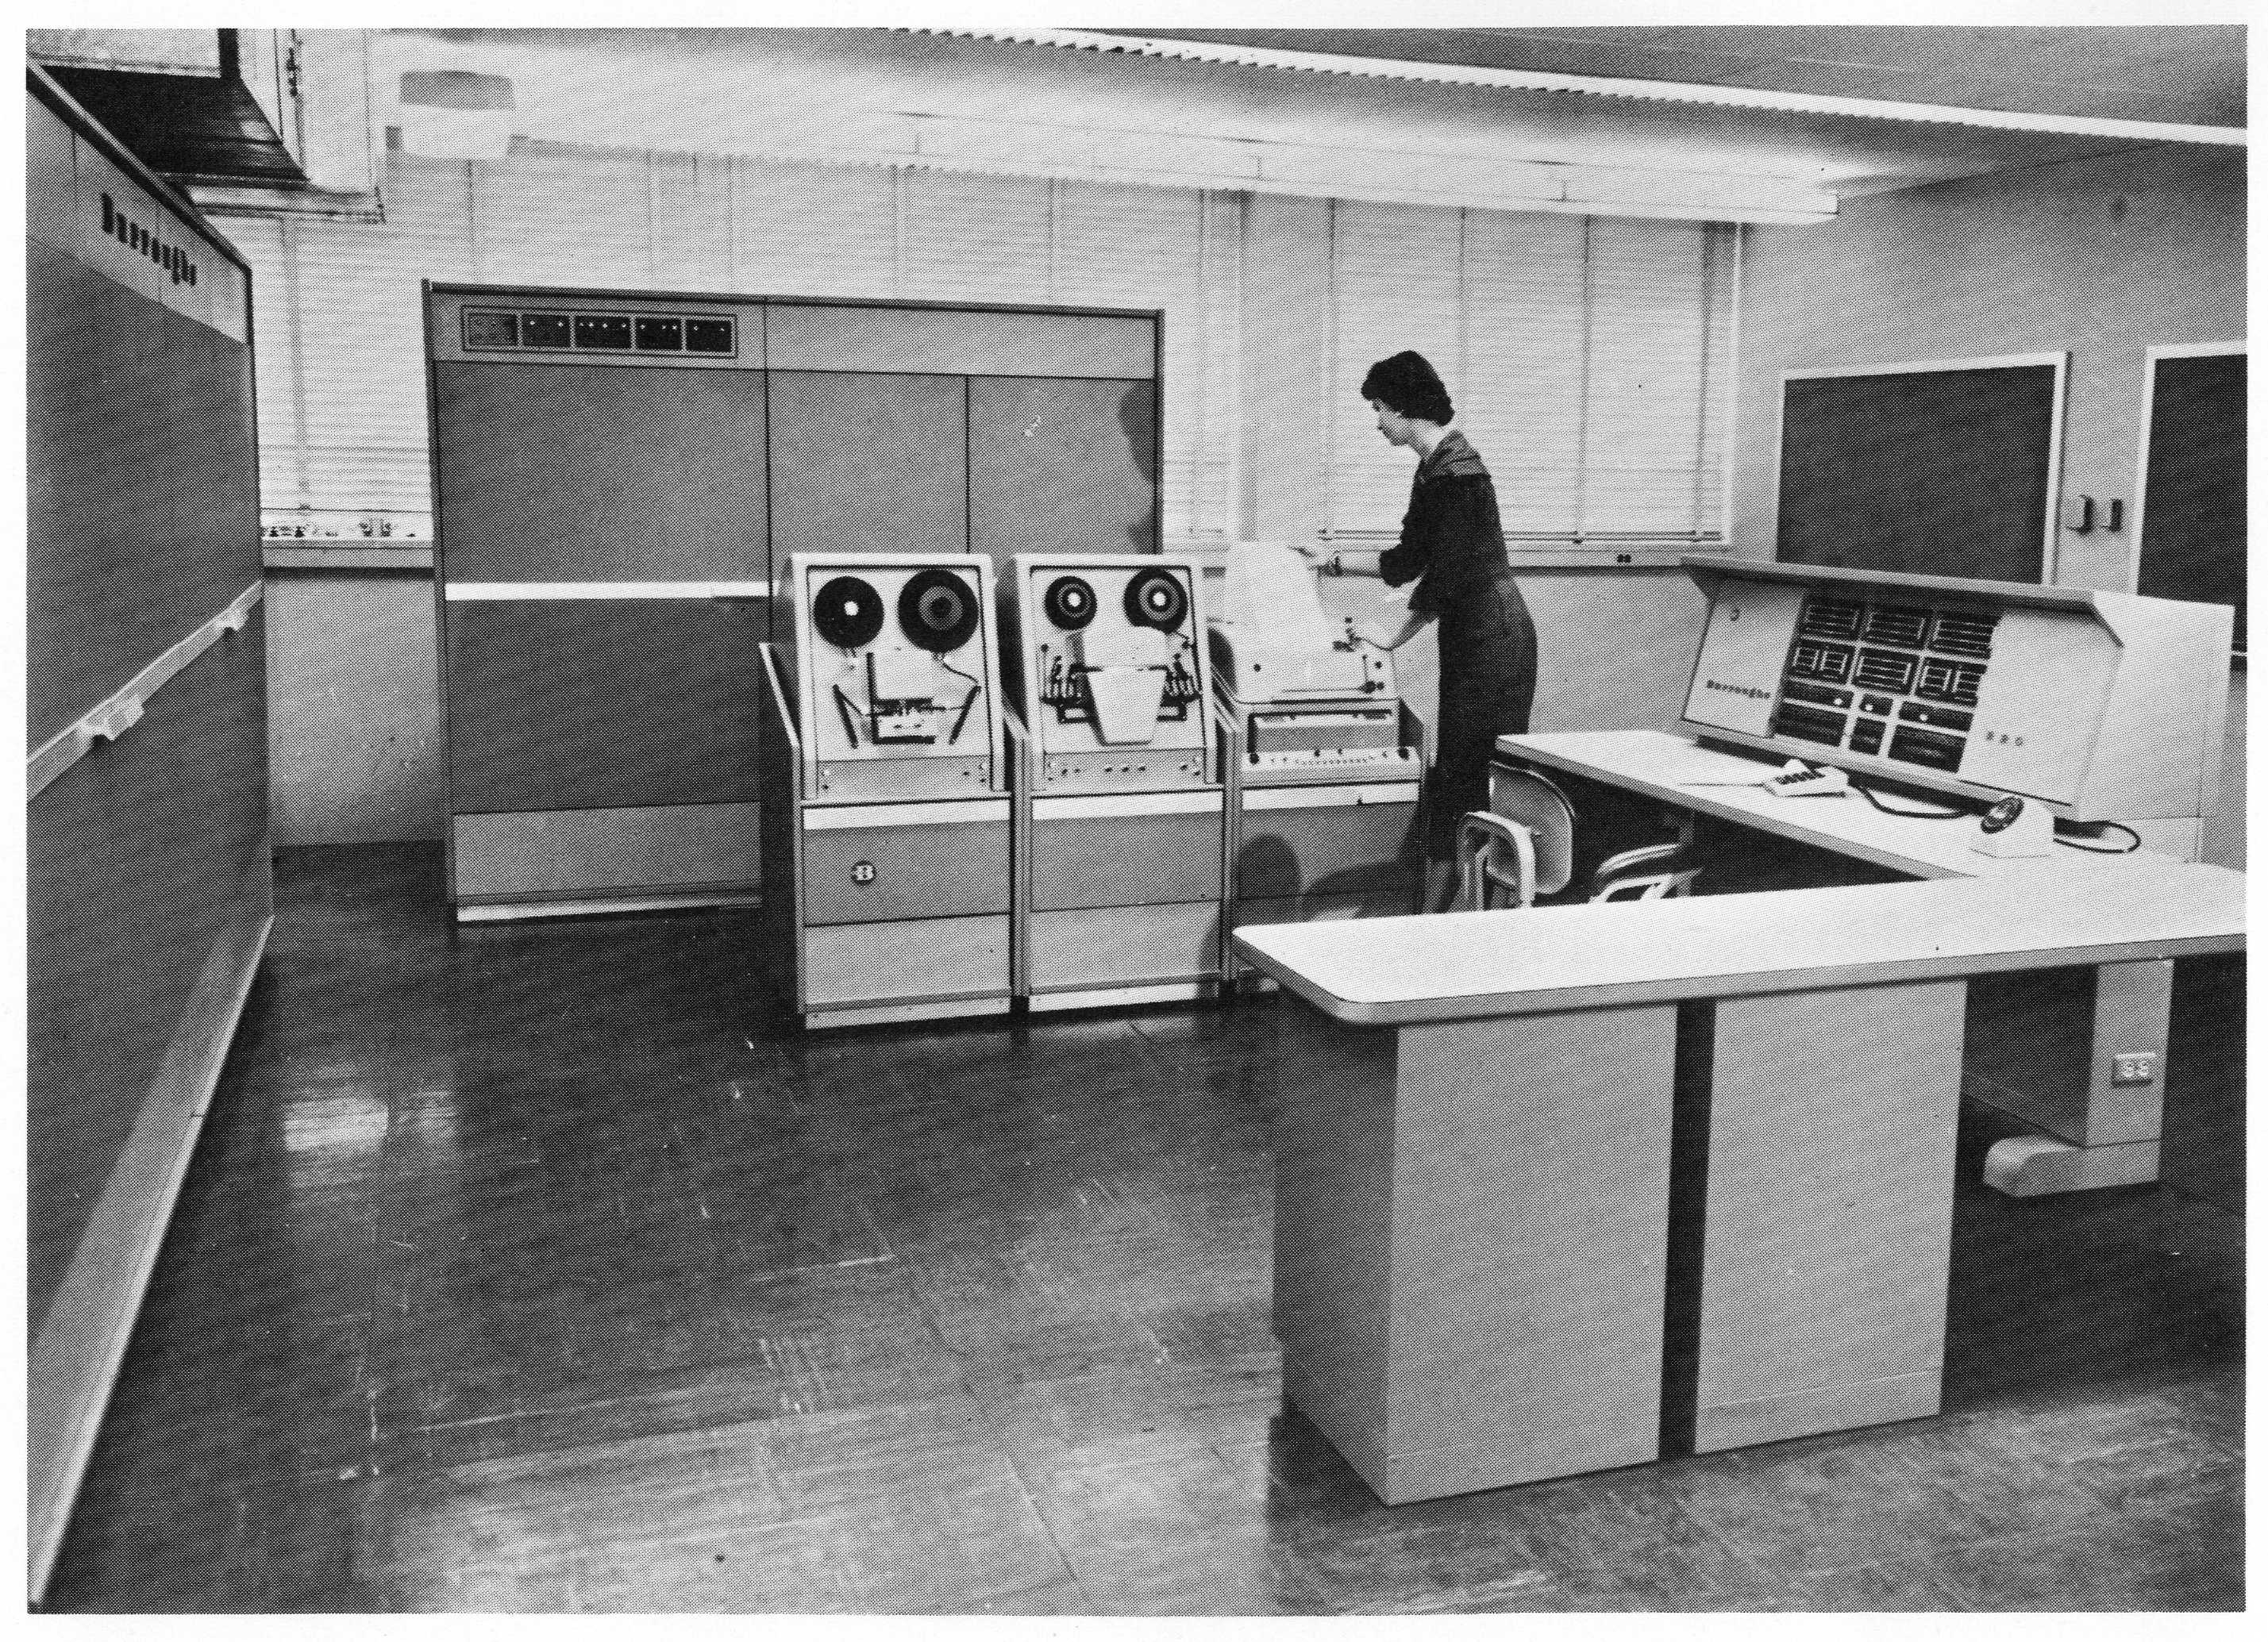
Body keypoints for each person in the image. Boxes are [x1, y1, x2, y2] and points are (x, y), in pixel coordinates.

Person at [1307, 350, 1538, 912]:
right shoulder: (1436, 467)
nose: (1376, 422)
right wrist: (1331, 561)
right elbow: (1409, 558)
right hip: (1473, 628)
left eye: (1378, 409)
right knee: (1460, 776)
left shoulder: (1457, 474)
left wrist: (1389, 637)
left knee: (1469, 778)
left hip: (1491, 635)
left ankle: (1454, 915)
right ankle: (1450, 908)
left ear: (1403, 407)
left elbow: (1447, 577)